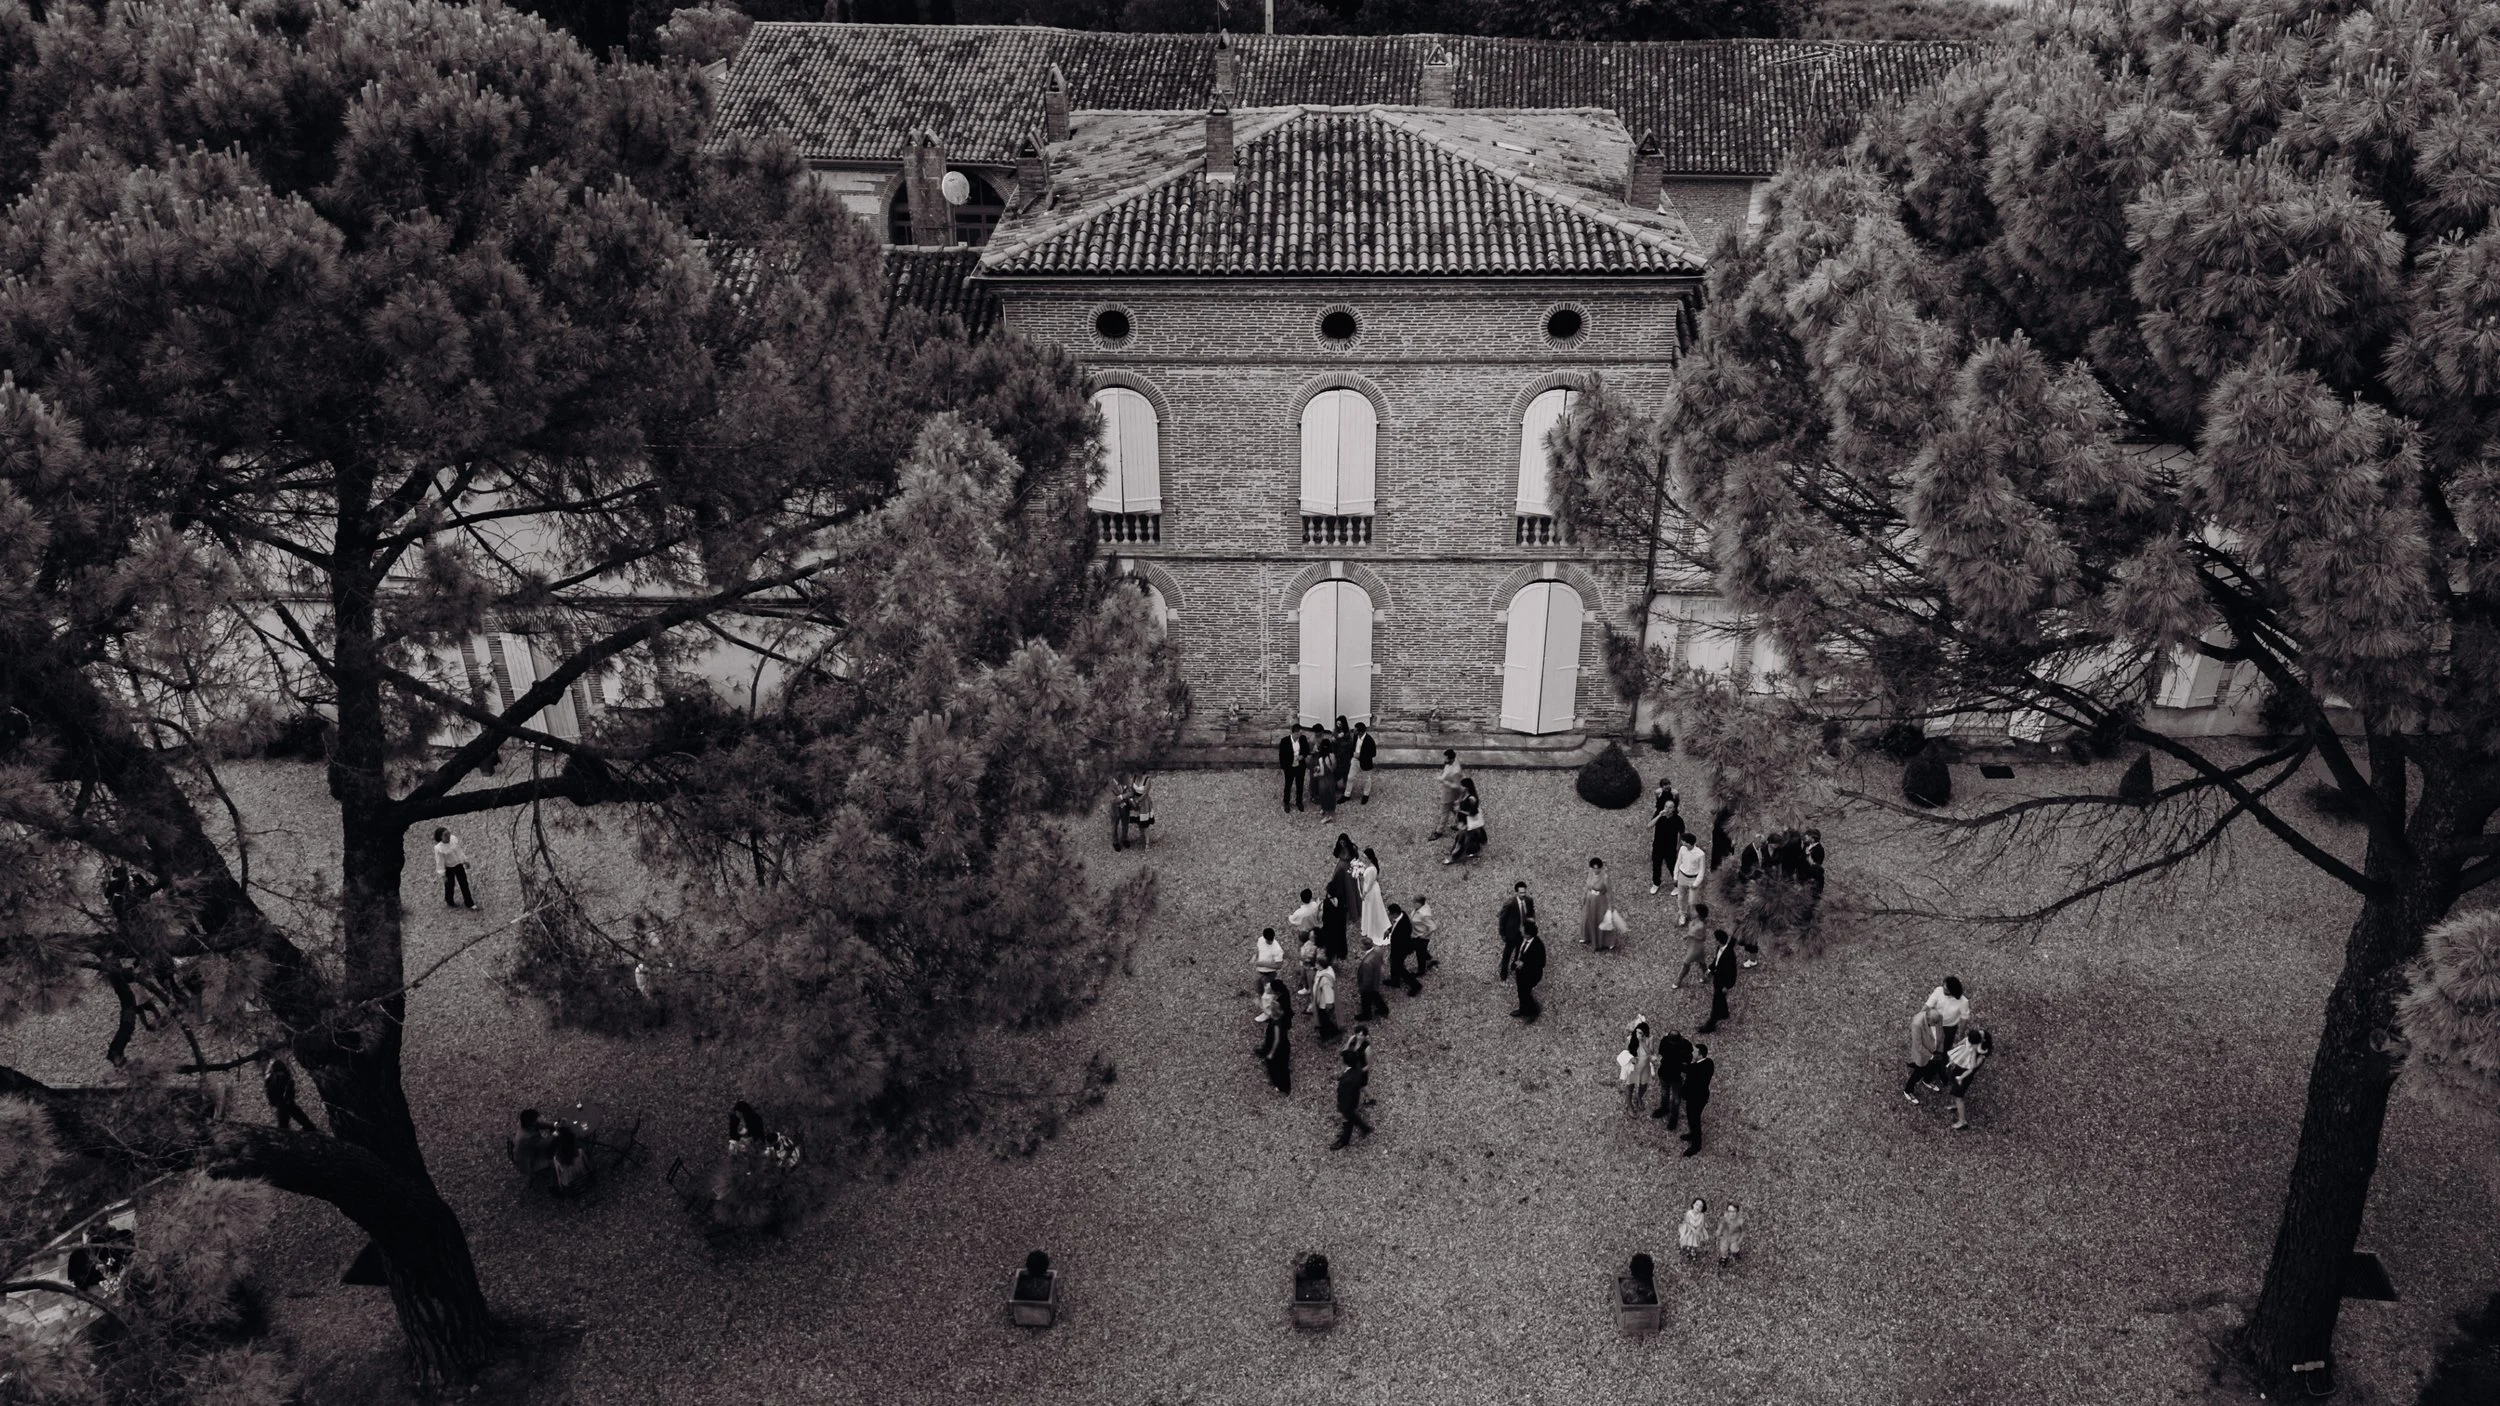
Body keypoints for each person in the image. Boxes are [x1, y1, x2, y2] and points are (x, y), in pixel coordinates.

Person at [1943, 1029, 1991, 1130]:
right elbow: (1962, 1043)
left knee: (1958, 1095)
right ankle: (1957, 1104)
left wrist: (1973, 1051)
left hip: (1965, 1076)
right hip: (1959, 1070)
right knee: (1954, 1086)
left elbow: (1972, 1067)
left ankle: (1962, 1121)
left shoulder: (1980, 1055)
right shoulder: (1973, 1043)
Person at [1329, 1050, 1373, 1149]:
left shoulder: (1347, 1080)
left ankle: (1344, 1141)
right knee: (1352, 1117)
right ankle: (1365, 1128)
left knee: (1348, 1120)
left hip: (1348, 1103)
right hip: (1354, 1099)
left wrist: (1341, 1106)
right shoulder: (1357, 1068)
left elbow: (1344, 1094)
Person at [1257, 978, 1293, 1093]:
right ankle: (1282, 1084)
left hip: (1279, 1049)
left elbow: (1276, 1039)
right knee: (1281, 1066)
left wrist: (1271, 1052)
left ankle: (1282, 1086)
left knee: (1279, 1067)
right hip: (1282, 1045)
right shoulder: (1280, 1018)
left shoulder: (1276, 1024)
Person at [1699, 931, 1739, 1034]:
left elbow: (1732, 973)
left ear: (1718, 940)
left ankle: (1711, 1024)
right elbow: (1716, 961)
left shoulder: (1729, 955)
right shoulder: (1720, 949)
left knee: (1716, 1002)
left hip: (1723, 982)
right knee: (1720, 998)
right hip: (1718, 979)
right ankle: (1724, 1013)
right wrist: (1709, 970)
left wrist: (1728, 986)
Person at [1904, 1002, 1946, 1101]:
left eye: (1937, 1022)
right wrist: (1931, 1056)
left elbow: (1941, 1034)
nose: (1936, 1025)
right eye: (1933, 1023)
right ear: (1927, 1019)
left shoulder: (1937, 1017)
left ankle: (1927, 1080)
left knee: (1933, 1068)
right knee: (1918, 1073)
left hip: (1935, 1050)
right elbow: (1918, 1045)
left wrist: (1940, 1051)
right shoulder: (1917, 1024)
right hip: (1923, 1055)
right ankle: (1908, 1090)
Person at [263, 1057, 317, 1134]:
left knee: (286, 1117)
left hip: (282, 1101)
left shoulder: (275, 1076)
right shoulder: (281, 1075)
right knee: (294, 1113)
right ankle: (309, 1128)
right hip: (284, 1100)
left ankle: (307, 1128)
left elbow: (276, 1089)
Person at [1650, 1027, 1693, 1124]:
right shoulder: (1681, 1044)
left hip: (1673, 1075)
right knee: (1666, 1093)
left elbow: (1688, 1060)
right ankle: (1666, 1109)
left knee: (1675, 1098)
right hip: (1667, 1073)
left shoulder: (1682, 1045)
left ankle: (1673, 1116)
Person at [1679, 1042, 1716, 1155]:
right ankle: (1693, 1135)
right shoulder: (1709, 1063)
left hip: (1694, 1099)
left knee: (1694, 1120)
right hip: (1702, 1096)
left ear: (1700, 1055)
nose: (1692, 1052)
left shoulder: (1694, 1068)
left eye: (1694, 1051)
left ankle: (1696, 1145)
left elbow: (1685, 1069)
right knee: (1694, 1118)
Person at [1649, 779, 1682, 893]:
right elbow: (1649, 826)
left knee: (1672, 866)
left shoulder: (1678, 820)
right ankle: (1656, 883)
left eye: (1670, 807)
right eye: (1666, 807)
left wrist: (1678, 846)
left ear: (1674, 809)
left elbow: (1682, 833)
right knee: (1656, 865)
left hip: (1670, 847)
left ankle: (1677, 885)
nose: (1668, 809)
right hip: (1658, 845)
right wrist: (1659, 816)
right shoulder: (1660, 816)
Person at [432, 826, 477, 910]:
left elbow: (459, 852)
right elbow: (440, 862)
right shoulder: (439, 848)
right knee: (450, 885)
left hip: (458, 865)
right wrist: (443, 874)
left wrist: (465, 861)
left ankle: (469, 902)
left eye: (448, 833)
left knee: (464, 884)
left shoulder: (453, 840)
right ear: (440, 838)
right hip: (448, 868)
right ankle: (449, 901)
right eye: (445, 835)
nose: (448, 836)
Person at [1511, 918, 1547, 1022]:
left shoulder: (1538, 946)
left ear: (1528, 934)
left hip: (1531, 975)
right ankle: (1523, 1009)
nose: (1520, 930)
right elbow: (1519, 952)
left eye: (1522, 930)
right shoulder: (1522, 938)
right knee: (1521, 992)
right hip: (1520, 973)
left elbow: (1541, 964)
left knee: (1525, 993)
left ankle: (1533, 1012)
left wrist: (1524, 965)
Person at [1498, 880, 1535, 979]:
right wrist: (1503, 934)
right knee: (1507, 953)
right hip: (1512, 933)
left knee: (1519, 951)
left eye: (1524, 892)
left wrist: (1531, 921)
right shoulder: (1509, 904)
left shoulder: (1529, 901)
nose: (1523, 895)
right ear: (1516, 892)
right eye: (1521, 893)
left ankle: (1514, 965)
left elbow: (1531, 912)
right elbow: (1502, 919)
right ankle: (1504, 971)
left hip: (1523, 933)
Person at [1321, 854, 1356, 962]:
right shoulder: (1341, 899)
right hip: (1341, 924)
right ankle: (1342, 954)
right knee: (1341, 939)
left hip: (1331, 925)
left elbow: (1325, 916)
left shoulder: (1327, 902)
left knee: (1331, 941)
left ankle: (1332, 956)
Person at [1924, 977, 1971, 1052]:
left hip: (1949, 1028)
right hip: (1934, 1023)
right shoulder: (1939, 990)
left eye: (1946, 989)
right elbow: (1928, 1005)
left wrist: (1961, 1035)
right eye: (1943, 987)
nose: (1943, 990)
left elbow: (1964, 1020)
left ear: (1953, 990)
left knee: (1945, 1048)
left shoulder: (1963, 1002)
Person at [1357, 847, 1391, 949]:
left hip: (1371, 892)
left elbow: (1370, 883)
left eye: (1365, 857)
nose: (1364, 859)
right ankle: (1368, 926)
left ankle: (1376, 929)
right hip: (1368, 889)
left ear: (1370, 858)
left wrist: (1364, 893)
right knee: (1369, 909)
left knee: (1373, 909)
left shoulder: (1372, 869)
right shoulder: (1369, 866)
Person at [1386, 902, 1422, 997]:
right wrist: (1389, 930)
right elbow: (1394, 926)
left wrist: (1394, 954)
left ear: (1394, 914)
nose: (1388, 915)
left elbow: (1401, 942)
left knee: (1399, 967)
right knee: (1394, 964)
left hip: (1401, 950)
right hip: (1398, 947)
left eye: (1389, 913)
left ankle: (1415, 985)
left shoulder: (1403, 926)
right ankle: (1395, 981)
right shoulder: (1402, 915)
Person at [1446, 778, 1485, 864]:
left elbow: (1473, 813)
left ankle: (1453, 857)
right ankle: (1474, 850)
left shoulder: (1472, 799)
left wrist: (1459, 810)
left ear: (1466, 787)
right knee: (1468, 838)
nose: (1460, 787)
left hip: (1467, 823)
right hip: (1463, 821)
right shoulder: (1463, 794)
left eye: (1462, 786)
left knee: (1461, 840)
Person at [1671, 833, 1706, 928]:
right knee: (1681, 898)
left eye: (1683, 841)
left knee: (1692, 901)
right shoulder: (1682, 849)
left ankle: (1693, 917)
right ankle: (1683, 914)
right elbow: (1678, 862)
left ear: (1689, 843)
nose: (1682, 842)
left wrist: (1696, 883)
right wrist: (1675, 876)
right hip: (1682, 877)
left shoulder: (1700, 854)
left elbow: (1702, 870)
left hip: (1693, 879)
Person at [1619, 1018, 1654, 1114]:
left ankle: (1639, 1098)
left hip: (1644, 1066)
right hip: (1633, 1066)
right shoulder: (1630, 1039)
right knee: (1630, 1086)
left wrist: (1642, 1042)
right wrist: (1631, 1058)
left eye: (1641, 1033)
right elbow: (1625, 1052)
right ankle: (1629, 1105)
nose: (1639, 1035)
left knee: (1643, 1085)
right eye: (1638, 1032)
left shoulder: (1649, 1039)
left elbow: (1650, 1052)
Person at [509, 1109, 556, 1177]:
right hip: (530, 1161)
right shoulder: (527, 1137)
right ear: (531, 1123)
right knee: (554, 1161)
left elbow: (539, 1124)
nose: (537, 1121)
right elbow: (545, 1144)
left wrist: (554, 1124)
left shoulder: (525, 1124)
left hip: (530, 1151)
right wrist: (555, 1134)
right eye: (535, 1120)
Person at [1430, 750, 1465, 839]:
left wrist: (1443, 781)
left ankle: (1439, 831)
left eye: (1446, 759)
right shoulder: (1453, 762)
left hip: (1449, 794)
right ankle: (1461, 823)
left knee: (1444, 813)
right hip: (1452, 794)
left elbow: (1456, 785)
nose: (1444, 760)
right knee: (1454, 809)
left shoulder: (1455, 771)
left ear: (1452, 758)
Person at [549, 1124, 591, 1197]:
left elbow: (559, 1178)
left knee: (553, 1174)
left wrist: (561, 1187)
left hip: (570, 1185)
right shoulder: (580, 1152)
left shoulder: (557, 1159)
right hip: (584, 1179)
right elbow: (589, 1166)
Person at [1580, 857, 1611, 948]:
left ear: (1601, 868)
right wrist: (1584, 897)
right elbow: (1587, 885)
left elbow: (1609, 892)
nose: (1595, 870)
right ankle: (1587, 936)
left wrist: (1610, 905)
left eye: (1597, 869)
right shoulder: (1591, 873)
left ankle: (1604, 941)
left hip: (1600, 900)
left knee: (1599, 919)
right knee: (1588, 917)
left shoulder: (1605, 877)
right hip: (1590, 899)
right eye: (1593, 868)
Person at [1410, 895, 1441, 976]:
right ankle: (1429, 958)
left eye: (1414, 902)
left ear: (1420, 903)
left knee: (1419, 954)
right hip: (1415, 934)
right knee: (1421, 950)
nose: (1413, 903)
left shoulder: (1424, 915)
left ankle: (1421, 971)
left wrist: (1424, 935)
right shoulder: (1420, 908)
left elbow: (1433, 927)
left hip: (1421, 937)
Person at [1279, 725, 1308, 812]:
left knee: (1300, 785)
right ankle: (1286, 802)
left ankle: (1299, 802)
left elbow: (1306, 750)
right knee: (1288, 785)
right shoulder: (1284, 741)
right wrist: (1284, 768)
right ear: (1296, 733)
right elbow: (1281, 756)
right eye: (1300, 732)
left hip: (1300, 766)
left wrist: (1302, 756)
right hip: (1289, 767)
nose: (1301, 734)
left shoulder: (1303, 739)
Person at [1311, 958, 1340, 1041]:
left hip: (1323, 1002)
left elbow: (1328, 993)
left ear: (1321, 966)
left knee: (1324, 1018)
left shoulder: (1325, 979)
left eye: (1317, 964)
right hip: (1320, 996)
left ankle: (1331, 1033)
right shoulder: (1327, 969)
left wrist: (1329, 1004)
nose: (1315, 965)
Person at [1352, 722, 1377, 804]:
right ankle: (1346, 794)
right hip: (1355, 759)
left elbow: (1373, 754)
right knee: (1350, 777)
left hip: (1365, 762)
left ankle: (1366, 795)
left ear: (1360, 731)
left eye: (1355, 730)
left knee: (1367, 779)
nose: (1353, 731)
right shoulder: (1355, 736)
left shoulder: (1369, 740)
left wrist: (1360, 756)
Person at [1716, 1202, 1746, 1266]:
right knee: (1723, 1248)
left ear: (1737, 1212)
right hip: (1725, 1236)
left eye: (1734, 1211)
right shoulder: (1725, 1218)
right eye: (1730, 1211)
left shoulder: (1740, 1221)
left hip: (1734, 1238)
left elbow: (1743, 1231)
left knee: (1734, 1249)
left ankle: (1736, 1253)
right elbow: (1721, 1225)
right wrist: (1719, 1231)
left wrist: (1740, 1239)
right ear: (1727, 1212)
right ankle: (1724, 1258)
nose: (1732, 1213)